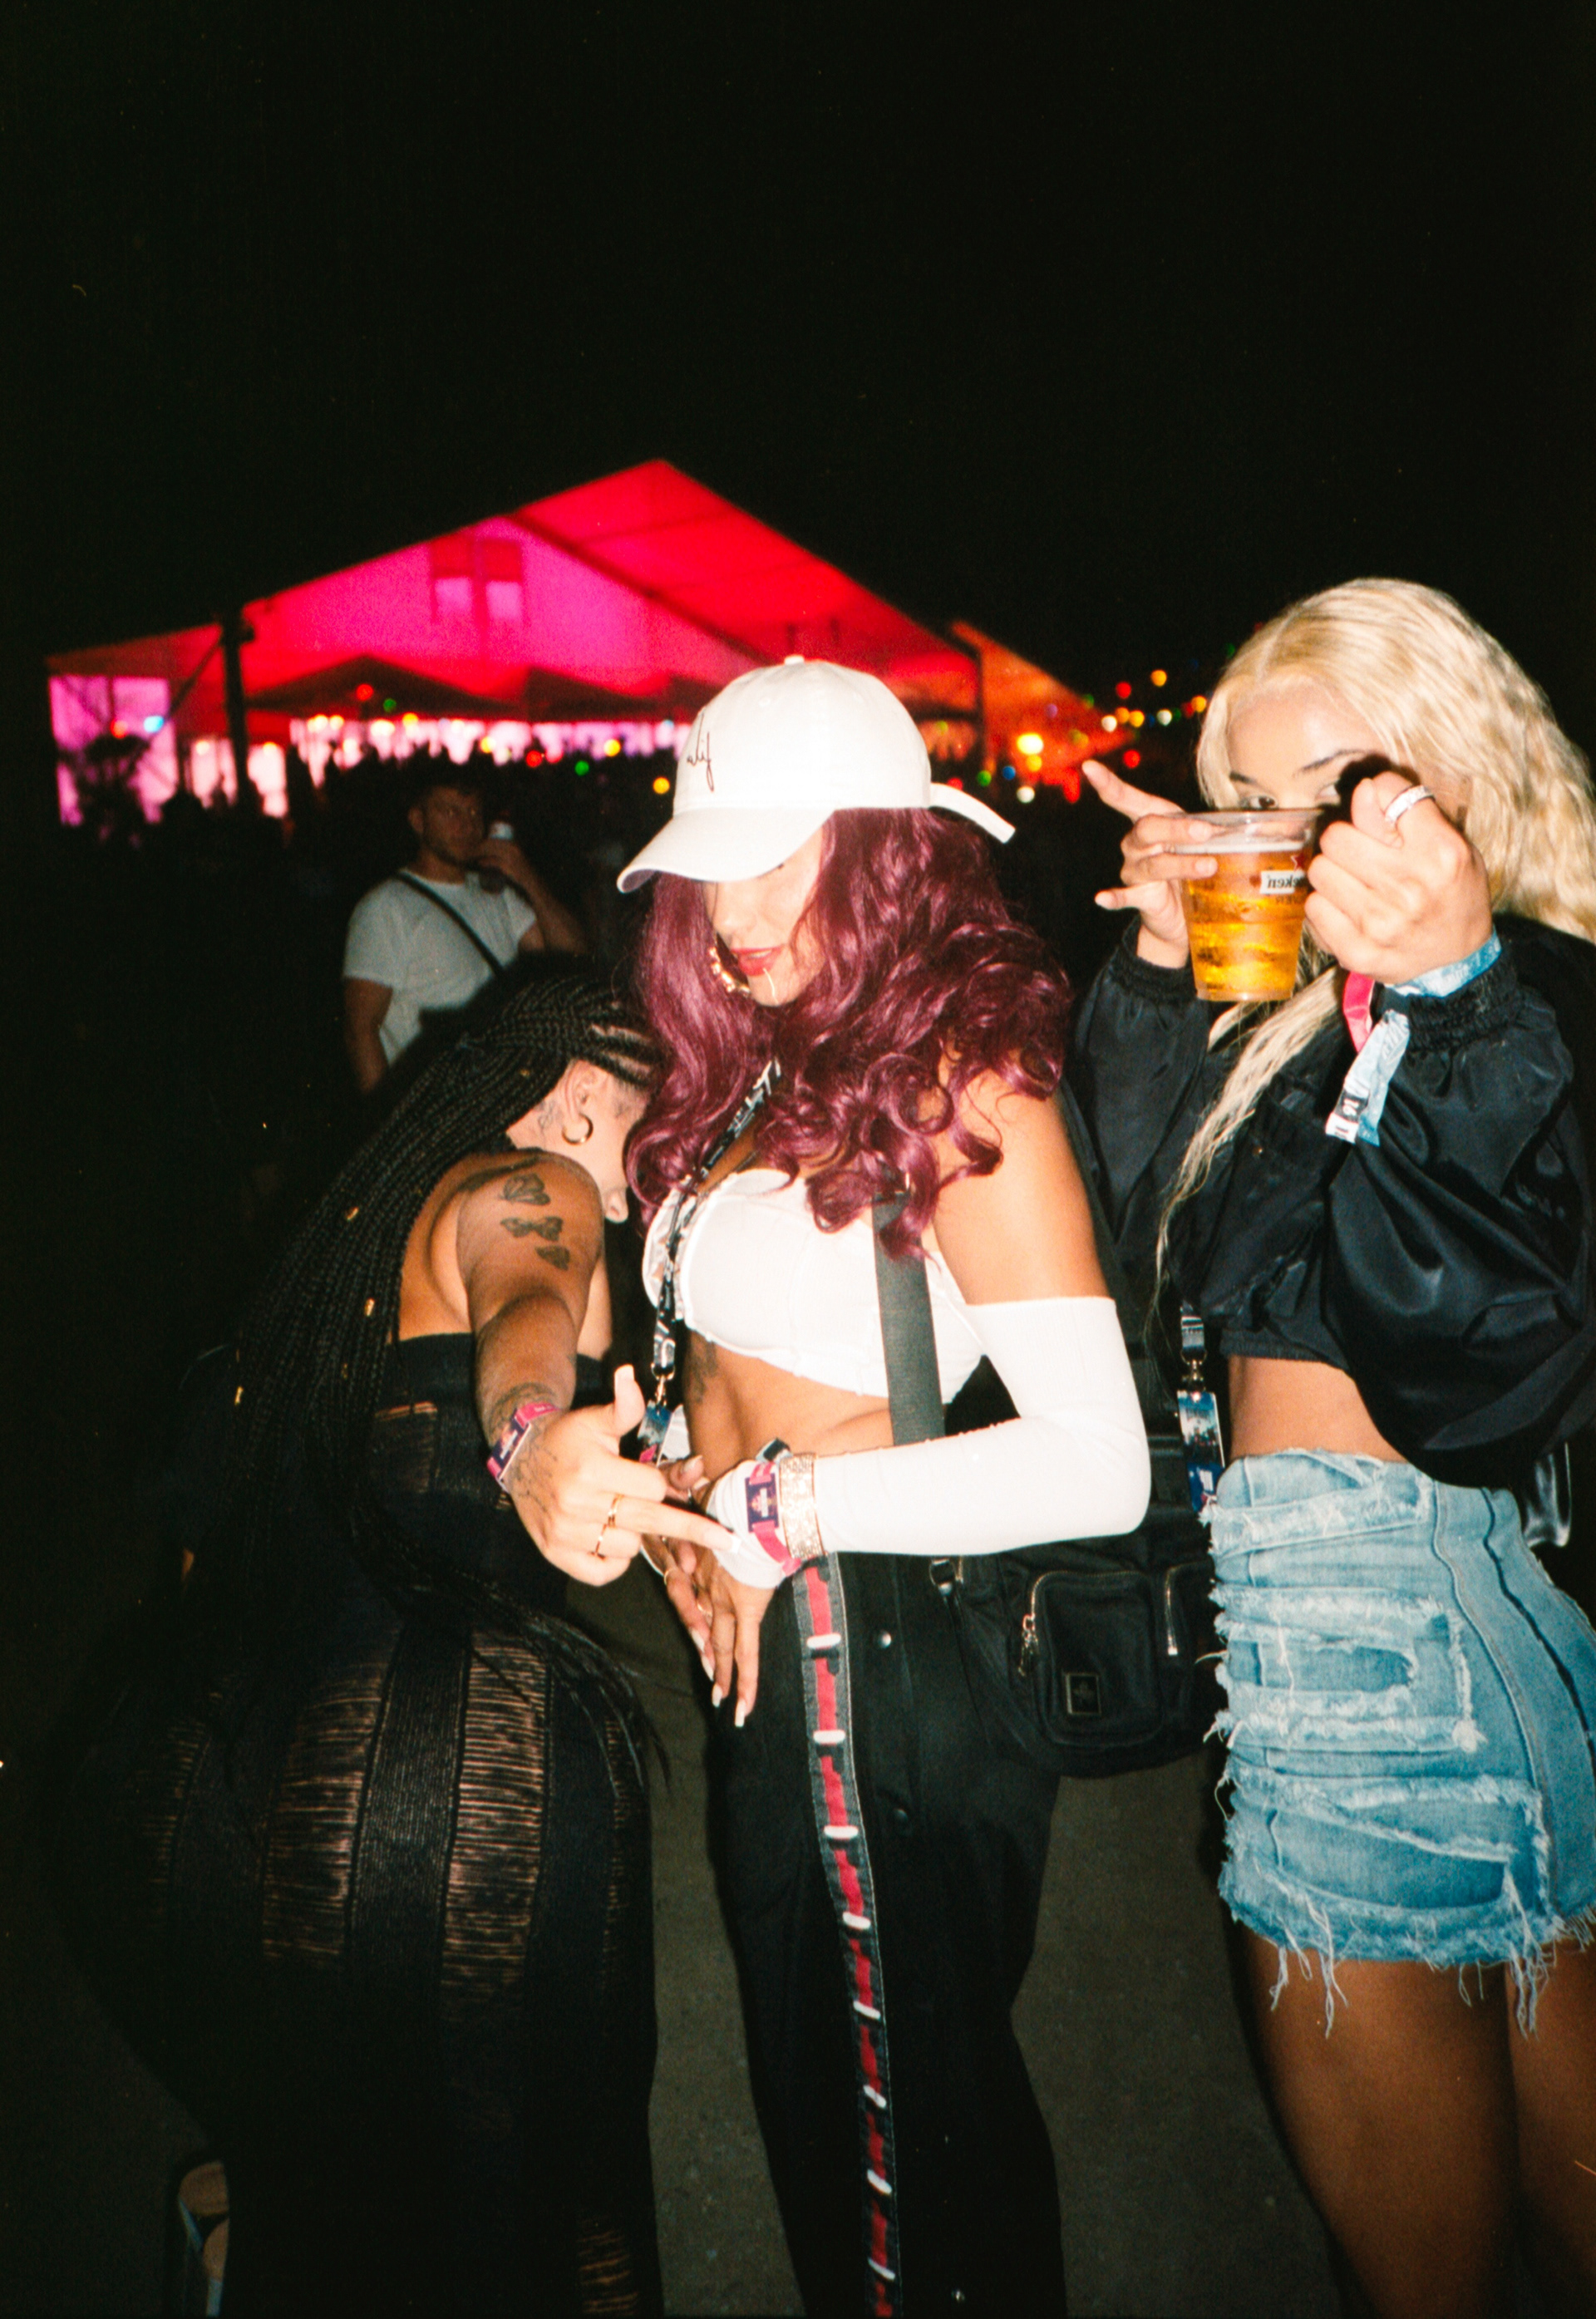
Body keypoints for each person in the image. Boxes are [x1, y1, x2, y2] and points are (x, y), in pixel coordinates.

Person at [51, 970, 729, 2317]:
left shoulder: (348, 1240)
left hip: (175, 1794)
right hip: (415, 1783)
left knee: (327, 2207)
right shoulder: (540, 1185)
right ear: (580, 1098)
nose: (656, 1172)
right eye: (654, 1125)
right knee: (549, 2216)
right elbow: (530, 1313)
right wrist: (529, 1441)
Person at [1073, 579, 1596, 2319]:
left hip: (1371, 1642)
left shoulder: (1523, 999)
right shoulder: (1329, 1018)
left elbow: (1470, 1363)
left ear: (1461, 770)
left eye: (1334, 794)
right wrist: (1168, 963)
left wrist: (1451, 991)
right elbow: (1162, 1254)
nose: (1292, 848)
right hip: (1468, 1638)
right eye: (1252, 803)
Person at [613, 660, 1149, 2314]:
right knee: (851, 2112)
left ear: (886, 855)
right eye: (714, 866)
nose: (735, 913)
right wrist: (678, 1493)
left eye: (781, 859)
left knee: (897, 2150)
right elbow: (722, 1361)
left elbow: (1102, 1457)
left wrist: (773, 1517)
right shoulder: (763, 1066)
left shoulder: (965, 1078)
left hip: (882, 1648)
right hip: (788, 1637)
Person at [342, 763, 587, 1092]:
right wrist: (386, 1114)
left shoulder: (496, 895)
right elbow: (360, 1029)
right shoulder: (386, 906)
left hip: (498, 1094)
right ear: (418, 821)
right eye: (450, 812)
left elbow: (573, 956)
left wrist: (525, 875)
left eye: (474, 812)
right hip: (435, 1102)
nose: (467, 825)